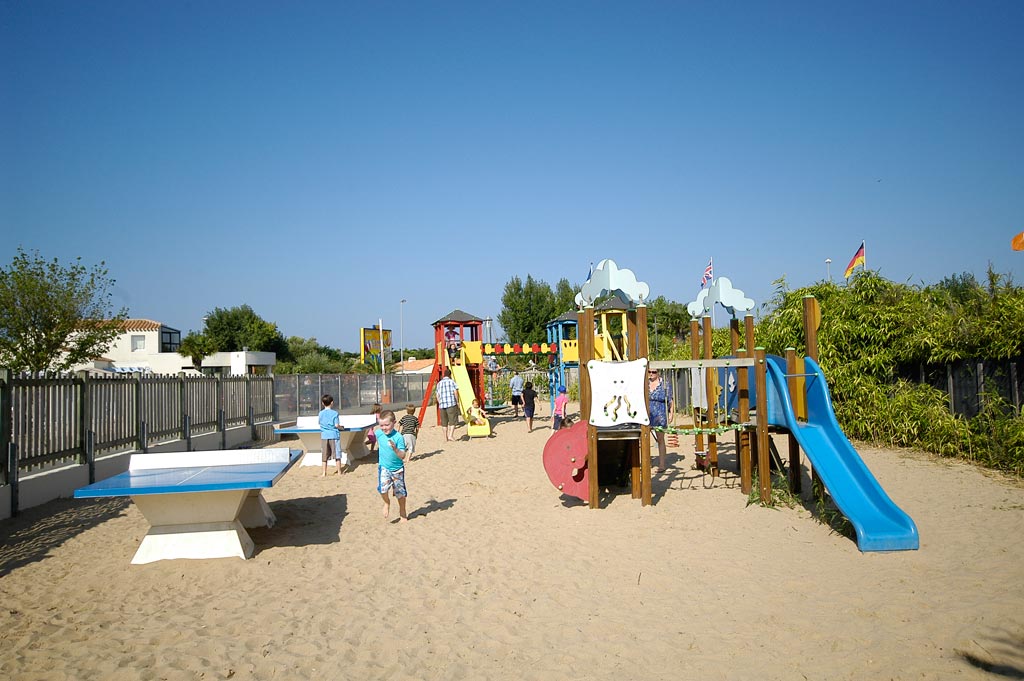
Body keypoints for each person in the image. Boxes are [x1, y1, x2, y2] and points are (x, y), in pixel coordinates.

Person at [374, 410, 409, 522]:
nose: (384, 428)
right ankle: (386, 502)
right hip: (384, 467)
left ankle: (402, 511)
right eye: (381, 425)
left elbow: (403, 456)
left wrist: (395, 448)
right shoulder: (379, 433)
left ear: (394, 422)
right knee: (383, 490)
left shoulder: (398, 437)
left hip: (397, 469)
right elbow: (370, 431)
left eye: (387, 425)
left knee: (400, 493)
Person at [648, 368, 675, 470]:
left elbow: (670, 399)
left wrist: (671, 413)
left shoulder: (664, 384)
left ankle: (662, 464)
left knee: (660, 439)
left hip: (660, 414)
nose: (651, 374)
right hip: (647, 414)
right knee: (644, 439)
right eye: (649, 372)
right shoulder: (645, 384)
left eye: (653, 372)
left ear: (658, 373)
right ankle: (648, 462)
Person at [318, 394, 346, 477]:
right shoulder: (335, 413)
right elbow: (336, 425)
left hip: (324, 435)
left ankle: (324, 473)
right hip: (334, 435)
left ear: (323, 403)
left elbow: (319, 423)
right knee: (337, 454)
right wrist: (342, 428)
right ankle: (339, 472)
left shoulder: (320, 413)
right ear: (332, 403)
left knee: (324, 455)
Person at [435, 368, 459, 441]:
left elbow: (437, 394)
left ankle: (445, 437)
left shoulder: (439, 383)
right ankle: (450, 435)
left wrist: (440, 402)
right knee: (452, 421)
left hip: (442, 405)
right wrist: (457, 401)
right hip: (451, 403)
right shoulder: (452, 382)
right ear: (450, 375)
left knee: (444, 422)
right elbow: (455, 392)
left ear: (444, 375)